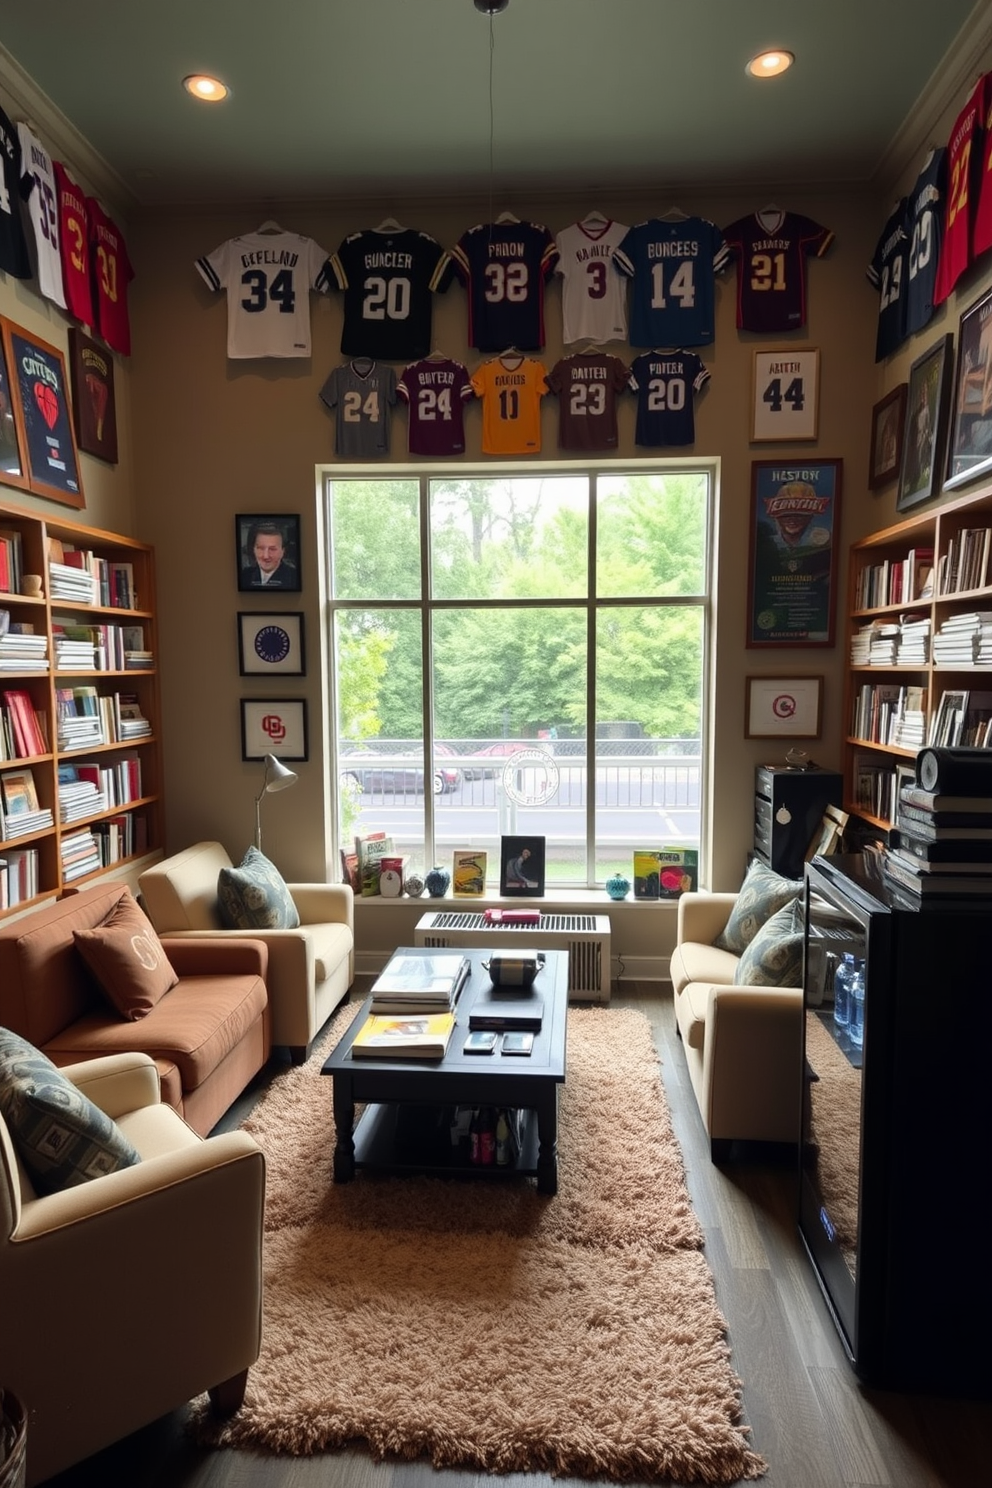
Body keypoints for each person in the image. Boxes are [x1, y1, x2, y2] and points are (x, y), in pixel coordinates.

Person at [241, 521, 298, 588]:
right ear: (253, 550)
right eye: (261, 548)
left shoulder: (294, 577)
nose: (266, 556)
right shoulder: (245, 575)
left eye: (272, 549)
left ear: (283, 551)